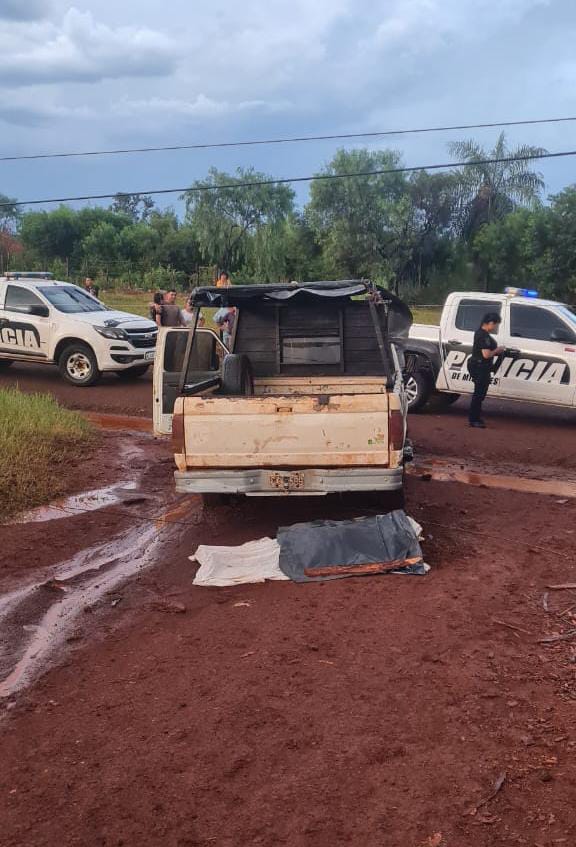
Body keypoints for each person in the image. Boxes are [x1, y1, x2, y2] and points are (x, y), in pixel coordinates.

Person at [467, 312, 505, 428]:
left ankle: (476, 417)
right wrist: (497, 350)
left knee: (480, 393)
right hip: (480, 367)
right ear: (490, 323)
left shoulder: (482, 334)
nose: (495, 327)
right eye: (495, 324)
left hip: (481, 366)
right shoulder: (483, 336)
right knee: (478, 394)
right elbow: (486, 355)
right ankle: (473, 420)